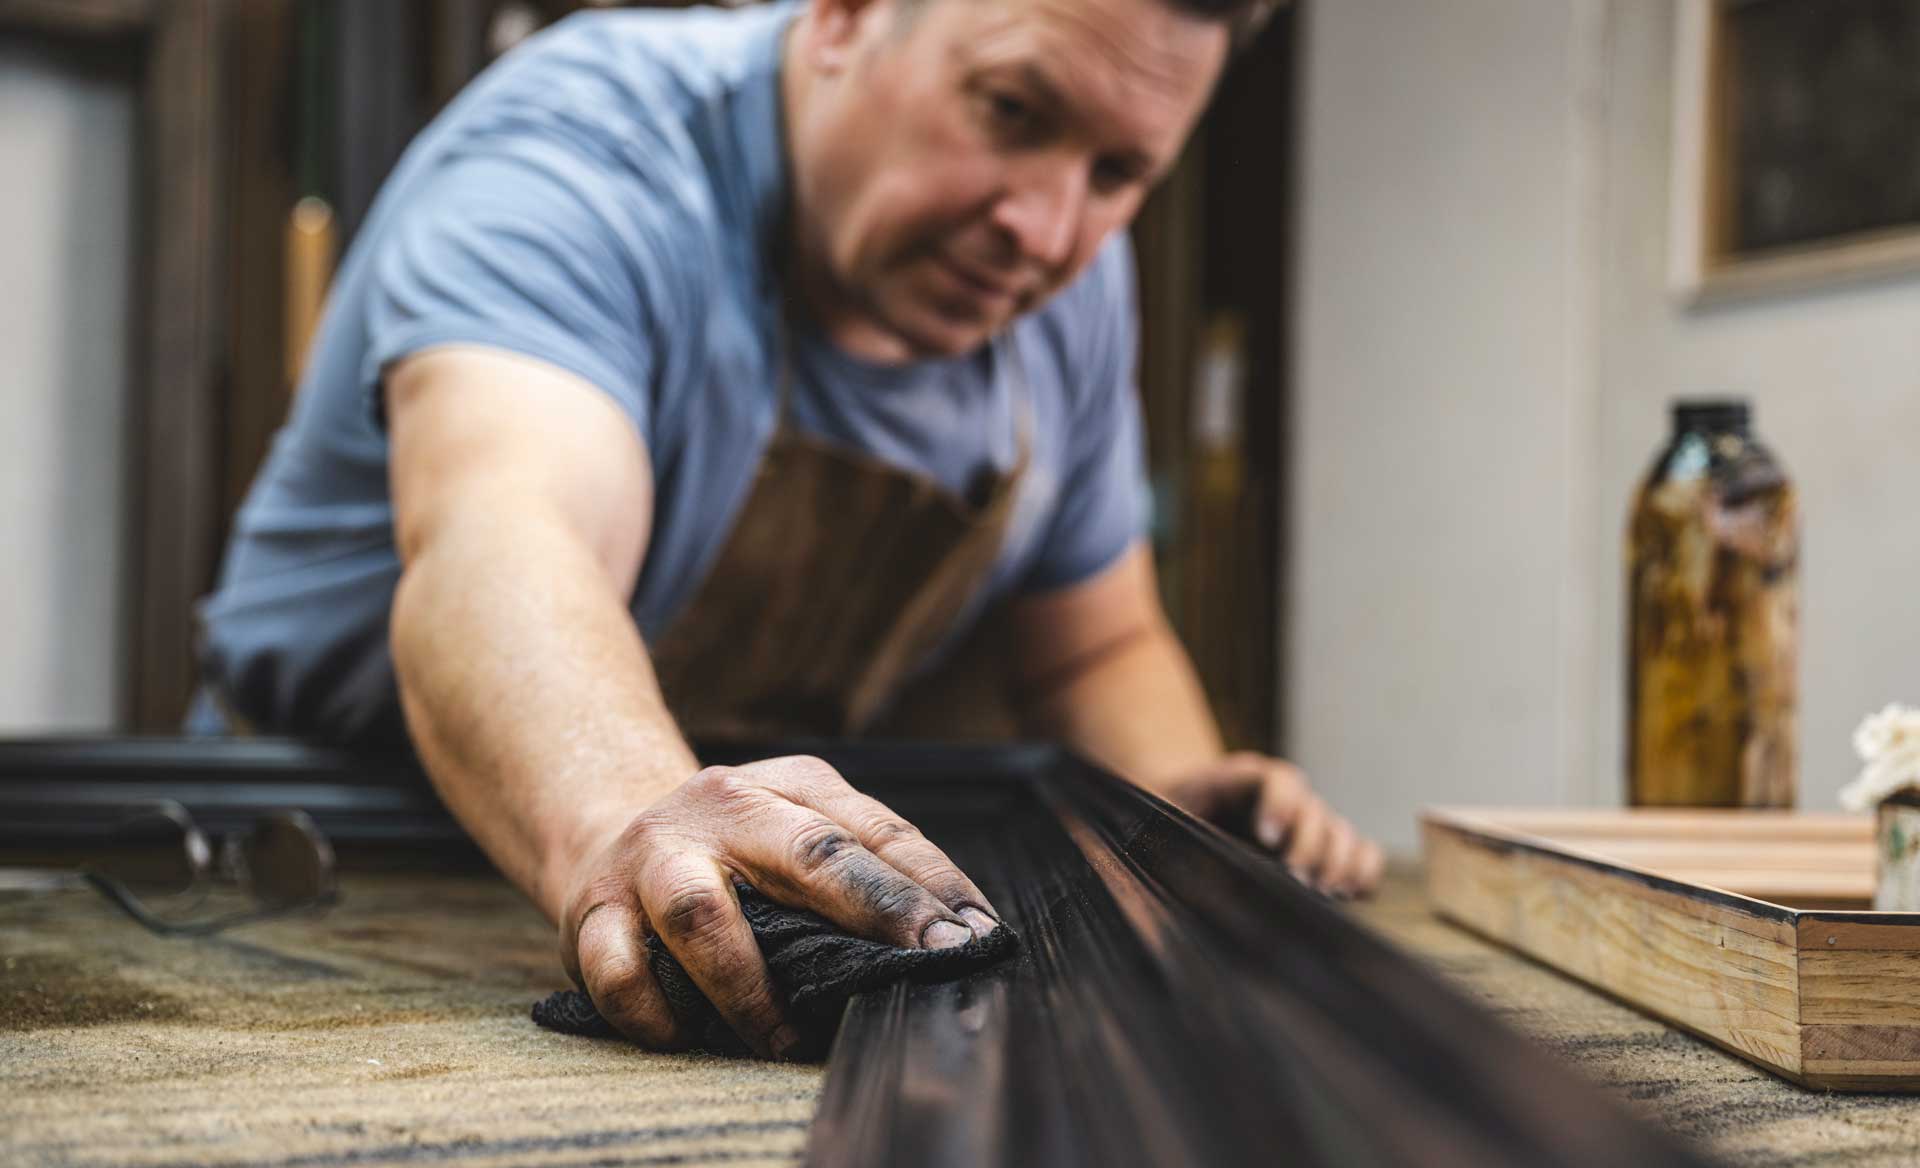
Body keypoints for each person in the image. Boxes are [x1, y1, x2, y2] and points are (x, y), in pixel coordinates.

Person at [194, 0, 1384, 1060]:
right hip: (299, 865)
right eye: (1012, 110)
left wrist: (1174, 820)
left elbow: (1094, 647)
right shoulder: (585, 155)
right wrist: (633, 823)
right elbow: (505, 533)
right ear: (843, 18)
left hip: (732, 898)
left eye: (1120, 173)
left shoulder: (1069, 287)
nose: (1047, 227)